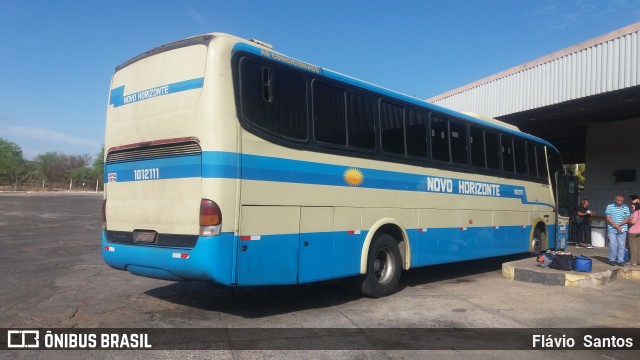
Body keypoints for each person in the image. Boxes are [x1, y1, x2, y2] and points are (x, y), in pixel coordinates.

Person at [605, 194, 631, 266]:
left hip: (623, 228)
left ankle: (620, 260)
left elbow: (627, 219)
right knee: (613, 244)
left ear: (623, 200)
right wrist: (615, 225)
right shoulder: (609, 206)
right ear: (615, 200)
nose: (619, 202)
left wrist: (619, 225)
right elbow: (608, 218)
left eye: (621, 201)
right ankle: (612, 259)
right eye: (618, 200)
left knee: (621, 245)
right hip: (612, 228)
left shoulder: (626, 207)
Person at [627, 199, 640, 266]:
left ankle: (634, 262)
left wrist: (628, 220)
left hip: (633, 232)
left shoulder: (635, 213)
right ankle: (638, 261)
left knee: (633, 247)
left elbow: (633, 222)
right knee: (638, 247)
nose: (631, 208)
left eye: (632, 207)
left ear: (636, 206)